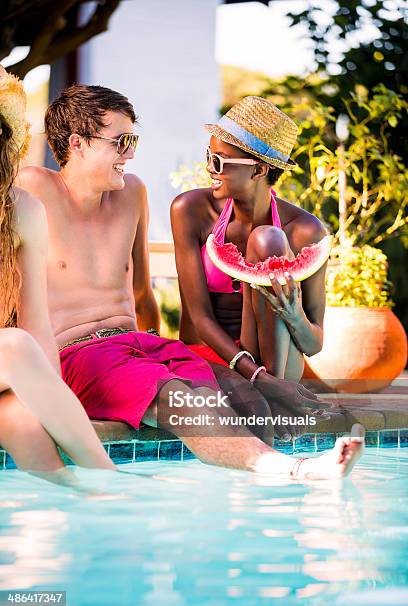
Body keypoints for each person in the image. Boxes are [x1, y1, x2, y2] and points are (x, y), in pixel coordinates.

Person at [17, 83, 365, 479]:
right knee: (177, 398)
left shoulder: (132, 193)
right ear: (77, 143)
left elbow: (141, 291)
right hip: (78, 353)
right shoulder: (34, 188)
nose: (131, 153)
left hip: (141, 343)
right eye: (121, 141)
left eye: (134, 140)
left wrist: (159, 350)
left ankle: (255, 515)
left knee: (248, 400)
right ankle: (296, 470)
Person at [171, 96, 329, 437]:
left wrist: (293, 313)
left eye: (219, 161)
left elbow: (314, 342)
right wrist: (258, 378)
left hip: (276, 359)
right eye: (208, 156)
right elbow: (199, 319)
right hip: (209, 352)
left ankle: (270, 401)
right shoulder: (190, 210)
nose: (210, 169)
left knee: (267, 242)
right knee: (260, 416)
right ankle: (272, 403)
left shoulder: (305, 231)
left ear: (257, 169)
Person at [0, 65, 115, 478]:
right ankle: (109, 477)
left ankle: (87, 508)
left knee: (27, 429)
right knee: (12, 345)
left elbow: (38, 324)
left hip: (5, 368)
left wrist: (52, 396)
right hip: (4, 356)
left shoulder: (22, 209)